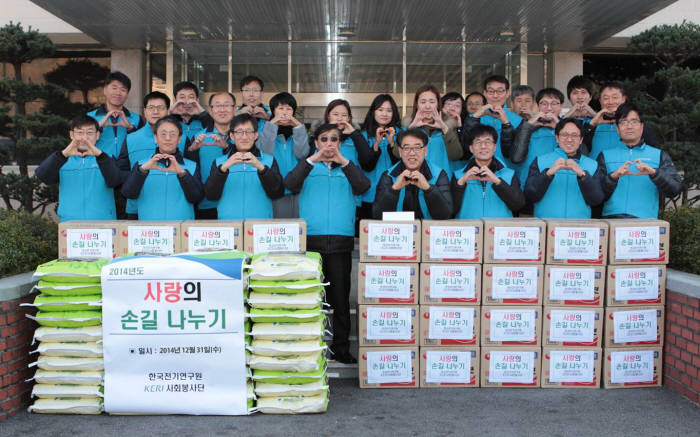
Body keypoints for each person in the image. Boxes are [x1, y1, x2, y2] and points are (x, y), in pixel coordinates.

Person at [284, 123, 370, 364]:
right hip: (311, 240)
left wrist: (343, 160)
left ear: (340, 144)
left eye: (334, 139)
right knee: (309, 298)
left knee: (341, 301)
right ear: (316, 143)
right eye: (324, 139)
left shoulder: (348, 167)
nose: (329, 143)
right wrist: (313, 159)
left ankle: (340, 349)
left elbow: (363, 186)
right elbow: (289, 184)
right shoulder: (307, 166)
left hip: (341, 241)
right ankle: (307, 347)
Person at [597, 103, 682, 218]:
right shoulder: (605, 155)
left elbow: (675, 190)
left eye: (634, 121)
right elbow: (596, 195)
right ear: (617, 128)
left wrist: (655, 173)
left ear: (642, 126)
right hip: (613, 220)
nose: (629, 126)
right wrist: (613, 177)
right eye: (624, 122)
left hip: (646, 222)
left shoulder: (658, 155)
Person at [35, 115, 121, 222]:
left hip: (103, 222)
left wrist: (100, 156)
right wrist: (63, 155)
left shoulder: (107, 158)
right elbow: (43, 176)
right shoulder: (61, 159)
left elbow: (116, 181)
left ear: (97, 135)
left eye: (90, 132)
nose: (84, 137)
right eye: (80, 132)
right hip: (70, 223)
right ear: (72, 134)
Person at [116, 91, 185, 219]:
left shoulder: (182, 138)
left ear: (168, 110)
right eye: (151, 108)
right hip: (137, 206)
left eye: (160, 108)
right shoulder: (131, 139)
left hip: (174, 206)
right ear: (144, 111)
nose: (155, 112)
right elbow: (122, 170)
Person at [121, 115, 204, 220]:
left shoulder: (192, 166)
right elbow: (128, 193)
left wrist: (182, 174)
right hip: (149, 231)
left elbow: (196, 198)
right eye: (163, 134)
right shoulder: (142, 165)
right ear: (155, 138)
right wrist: (142, 171)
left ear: (179, 139)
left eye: (173, 134)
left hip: (181, 230)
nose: (168, 138)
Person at [204, 114, 284, 219]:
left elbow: (277, 193)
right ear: (232, 136)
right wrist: (223, 169)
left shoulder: (269, 160)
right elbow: (211, 195)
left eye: (249, 132)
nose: (244, 136)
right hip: (228, 225)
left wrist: (261, 167)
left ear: (256, 135)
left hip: (260, 224)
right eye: (239, 132)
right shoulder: (220, 163)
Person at [524, 118, 604, 218]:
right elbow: (530, 195)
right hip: (547, 226)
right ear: (557, 138)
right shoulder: (540, 161)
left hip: (579, 228)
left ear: (581, 140)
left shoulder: (592, 165)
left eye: (574, 135)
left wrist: (582, 175)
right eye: (564, 135)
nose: (569, 139)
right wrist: (548, 174)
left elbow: (596, 200)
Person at [373, 128, 453, 219]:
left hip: (427, 230)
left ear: (425, 151)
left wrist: (428, 189)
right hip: (399, 230)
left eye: (417, 148)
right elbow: (377, 215)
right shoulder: (389, 175)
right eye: (406, 148)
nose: (412, 153)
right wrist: (394, 189)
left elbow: (445, 214)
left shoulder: (438, 174)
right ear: (400, 152)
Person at [452, 124, 525, 218]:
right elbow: (450, 210)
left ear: (494, 147)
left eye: (488, 142)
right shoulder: (458, 176)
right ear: (471, 148)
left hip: (500, 230)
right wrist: (461, 183)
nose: (483, 146)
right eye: (478, 142)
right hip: (468, 230)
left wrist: (497, 181)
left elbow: (518, 205)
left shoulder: (509, 174)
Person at [185, 92, 237, 219]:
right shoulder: (199, 137)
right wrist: (191, 151)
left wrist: (227, 147)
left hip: (236, 201)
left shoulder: (244, 135)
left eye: (227, 105)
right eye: (217, 105)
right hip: (206, 203)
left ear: (234, 109)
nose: (222, 109)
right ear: (210, 110)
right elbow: (189, 169)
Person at [258, 92, 310, 218]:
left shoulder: (299, 132)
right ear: (273, 111)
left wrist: (298, 127)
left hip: (296, 188)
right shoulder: (265, 130)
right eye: (280, 108)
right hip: (273, 188)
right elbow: (265, 152)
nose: (285, 112)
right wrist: (272, 124)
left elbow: (302, 154)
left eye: (288, 109)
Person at [584, 81, 660, 159]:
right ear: (600, 100)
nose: (610, 102)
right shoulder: (591, 124)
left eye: (615, 97)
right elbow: (578, 146)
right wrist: (592, 124)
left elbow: (653, 148)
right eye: (606, 98)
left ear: (623, 99)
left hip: (625, 169)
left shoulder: (634, 123)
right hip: (598, 170)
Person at [357, 94, 402, 222]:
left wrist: (392, 143)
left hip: (396, 192)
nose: (384, 114)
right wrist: (376, 143)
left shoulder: (401, 133)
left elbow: (401, 164)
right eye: (380, 110)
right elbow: (367, 166)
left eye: (389, 110)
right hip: (370, 194)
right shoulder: (364, 135)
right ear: (373, 112)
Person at [510, 88, 564, 189]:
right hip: (530, 184)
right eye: (544, 103)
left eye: (554, 103)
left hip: (559, 183)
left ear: (561, 106)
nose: (549, 108)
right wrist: (528, 126)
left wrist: (560, 126)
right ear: (537, 105)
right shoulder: (526, 126)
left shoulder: (569, 127)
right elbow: (516, 158)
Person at [403, 85, 462, 174]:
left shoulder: (448, 125)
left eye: (432, 102)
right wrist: (411, 129)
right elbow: (397, 154)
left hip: (442, 182)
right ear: (417, 105)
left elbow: (456, 155)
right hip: (414, 180)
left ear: (438, 104)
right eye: (423, 102)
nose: (427, 106)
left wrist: (444, 128)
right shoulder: (408, 125)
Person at [467, 75, 521, 167]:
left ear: (507, 93)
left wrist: (506, 124)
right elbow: (466, 147)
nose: (495, 95)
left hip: (507, 172)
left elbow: (517, 152)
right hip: (477, 170)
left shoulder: (518, 120)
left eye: (500, 91)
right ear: (485, 93)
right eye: (491, 91)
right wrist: (474, 118)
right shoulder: (473, 118)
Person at [87, 71, 144, 157]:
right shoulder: (89, 117)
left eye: (123, 89)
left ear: (127, 94)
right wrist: (97, 127)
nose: (118, 93)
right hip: (98, 166)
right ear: (105, 90)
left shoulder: (137, 119)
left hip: (127, 168)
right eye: (114, 88)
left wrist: (130, 128)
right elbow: (81, 144)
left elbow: (142, 145)